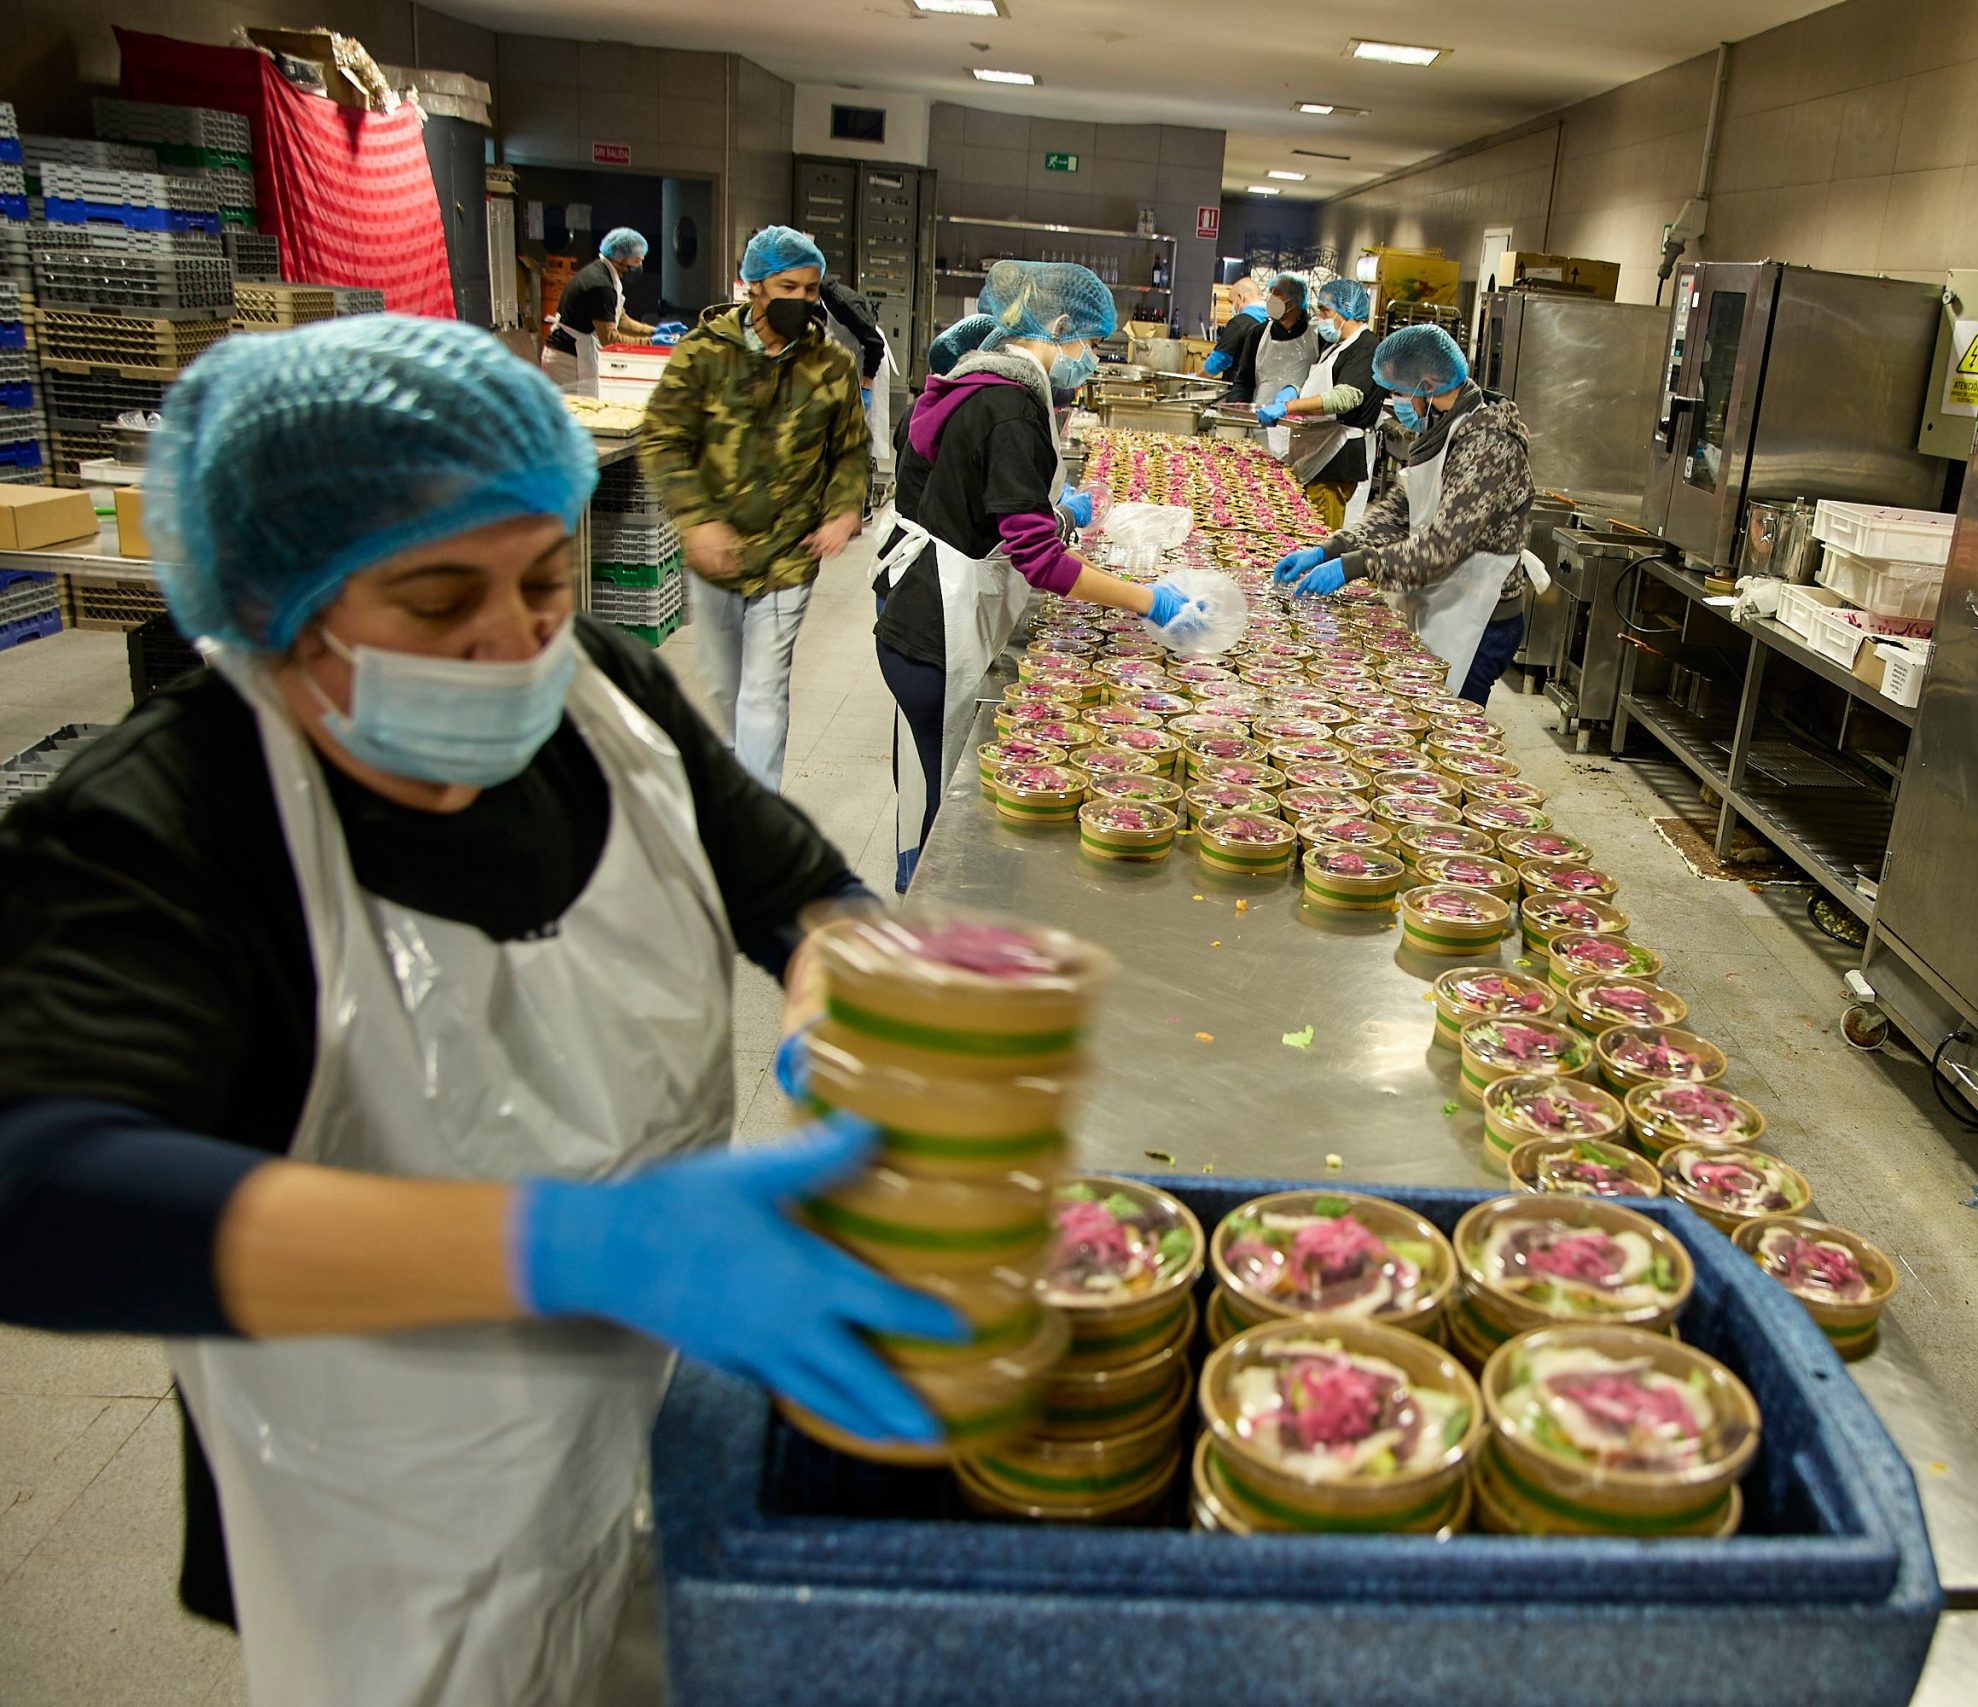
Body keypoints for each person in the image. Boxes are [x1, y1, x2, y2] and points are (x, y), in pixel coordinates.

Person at [0, 315, 958, 1707]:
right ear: (280, 602)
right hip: (393, 1514)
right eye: (440, 600)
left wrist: (858, 1007)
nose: (513, 640)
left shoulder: (604, 706)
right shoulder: (165, 821)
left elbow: (799, 888)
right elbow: (37, 1191)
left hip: (654, 1396)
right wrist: (559, 1241)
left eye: (545, 577)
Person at [873, 261, 1193, 892]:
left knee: (932, 786)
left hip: (915, 611)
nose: (1090, 360)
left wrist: (1049, 514)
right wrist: (1145, 598)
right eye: (1091, 344)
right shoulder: (1011, 408)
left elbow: (976, 499)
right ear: (1062, 325)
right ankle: (938, 923)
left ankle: (921, 880)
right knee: (953, 817)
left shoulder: (979, 381)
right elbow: (1040, 562)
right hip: (938, 630)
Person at [639, 225, 869, 791]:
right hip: (717, 555)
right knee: (723, 688)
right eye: (788, 286)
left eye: (813, 290)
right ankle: (731, 779)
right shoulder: (703, 355)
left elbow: (849, 449)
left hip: (788, 553)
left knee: (764, 690)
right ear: (754, 286)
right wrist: (697, 519)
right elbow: (662, 438)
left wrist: (843, 508)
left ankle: (756, 816)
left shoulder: (831, 366)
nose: (803, 302)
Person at [1271, 324, 1537, 706]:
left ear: (1428, 385)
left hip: (1481, 619)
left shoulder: (1487, 443)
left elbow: (1443, 547)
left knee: (1451, 731)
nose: (1393, 404)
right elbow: (1399, 510)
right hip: (1447, 598)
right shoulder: (1444, 426)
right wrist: (1331, 549)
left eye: (1398, 392)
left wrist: (1356, 566)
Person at [1259, 277, 1383, 530]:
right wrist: (1291, 391)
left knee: (1321, 532)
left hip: (1338, 456)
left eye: (1326, 311)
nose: (1321, 318)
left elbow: (1345, 398)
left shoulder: (1366, 347)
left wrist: (1288, 408)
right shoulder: (1336, 345)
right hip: (1320, 448)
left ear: (1347, 312)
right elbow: (1316, 382)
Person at [540, 227, 656, 397]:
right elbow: (609, 339)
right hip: (566, 360)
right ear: (618, 256)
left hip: (570, 354)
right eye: (637, 261)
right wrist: (649, 344)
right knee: (576, 413)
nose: (640, 266)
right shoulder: (601, 285)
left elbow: (620, 319)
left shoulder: (604, 272)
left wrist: (653, 331)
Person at [818, 277, 897, 501]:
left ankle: (863, 499)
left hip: (868, 359)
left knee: (864, 426)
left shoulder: (840, 302)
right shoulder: (815, 303)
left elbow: (874, 343)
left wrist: (866, 384)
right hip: (848, 357)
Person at [1224, 273, 1321, 457]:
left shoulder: (1317, 336)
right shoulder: (1258, 334)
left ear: (1296, 300)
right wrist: (1236, 413)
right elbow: (1244, 380)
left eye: (1279, 294)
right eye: (1271, 293)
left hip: (1301, 432)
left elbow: (1322, 384)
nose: (1272, 299)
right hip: (1261, 428)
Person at [1200, 271, 1266, 381]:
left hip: (1238, 391)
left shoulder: (1240, 323)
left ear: (1241, 298)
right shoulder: (1272, 321)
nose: (1232, 307)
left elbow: (1218, 361)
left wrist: (1193, 380)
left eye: (1231, 302)